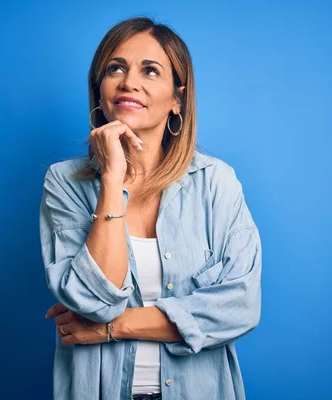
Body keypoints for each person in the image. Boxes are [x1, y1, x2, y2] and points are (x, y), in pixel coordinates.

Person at [40, 16, 262, 400]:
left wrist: (114, 326)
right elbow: (92, 300)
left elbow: (240, 307)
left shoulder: (217, 183)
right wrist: (111, 180)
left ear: (177, 98)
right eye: (116, 68)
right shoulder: (64, 182)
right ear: (99, 91)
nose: (129, 82)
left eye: (151, 70)